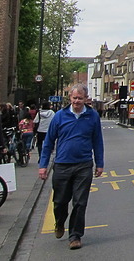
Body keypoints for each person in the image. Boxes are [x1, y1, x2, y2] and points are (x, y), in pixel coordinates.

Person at [38, 83, 104, 250]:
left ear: (85, 99)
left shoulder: (93, 116)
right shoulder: (59, 116)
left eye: (80, 98)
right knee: (60, 201)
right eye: (74, 98)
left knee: (80, 202)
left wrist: (100, 163)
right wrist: (43, 165)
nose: (77, 101)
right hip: (62, 165)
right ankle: (60, 222)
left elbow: (97, 140)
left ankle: (75, 235)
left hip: (84, 165)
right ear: (70, 98)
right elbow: (48, 142)